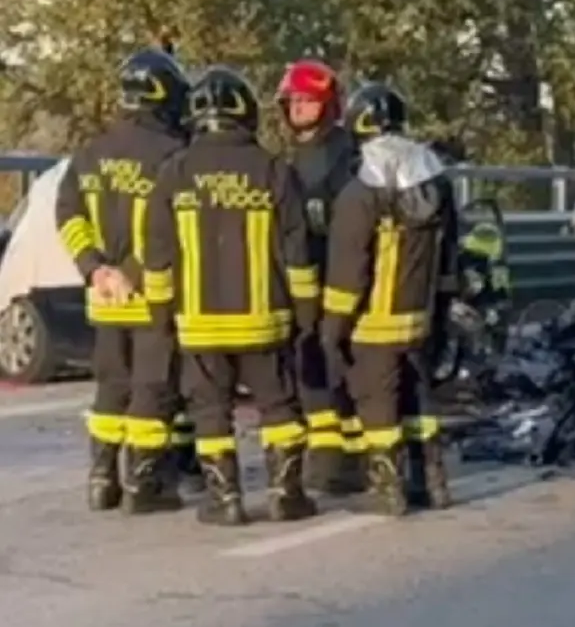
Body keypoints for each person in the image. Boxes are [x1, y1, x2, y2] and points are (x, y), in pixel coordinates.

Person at [141, 67, 319, 525]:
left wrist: (161, 320)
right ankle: (286, 493)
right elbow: (298, 254)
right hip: (266, 320)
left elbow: (157, 258)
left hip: (198, 326)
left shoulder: (173, 173)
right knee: (278, 406)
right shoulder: (275, 170)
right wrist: (306, 316)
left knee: (210, 412)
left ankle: (226, 500)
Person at [55, 48, 191, 514]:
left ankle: (101, 478)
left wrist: (94, 268)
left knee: (111, 386)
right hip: (151, 296)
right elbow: (171, 228)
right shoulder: (174, 155)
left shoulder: (90, 153)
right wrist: (132, 273)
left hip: (104, 300)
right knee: (152, 387)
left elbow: (68, 216)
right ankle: (144, 485)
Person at [320, 83, 458, 515]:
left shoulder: (360, 191)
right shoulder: (435, 184)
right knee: (418, 399)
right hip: (417, 320)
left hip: (372, 324)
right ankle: (433, 483)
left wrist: (332, 330)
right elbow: (450, 254)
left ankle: (389, 489)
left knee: (377, 403)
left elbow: (349, 270)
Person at [275, 59, 366, 495]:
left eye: (308, 101)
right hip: (303, 278)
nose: (298, 108)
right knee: (311, 365)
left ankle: (337, 463)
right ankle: (333, 456)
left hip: (335, 277)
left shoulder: (343, 155)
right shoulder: (298, 156)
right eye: (292, 101)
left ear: (327, 105)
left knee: (328, 366)